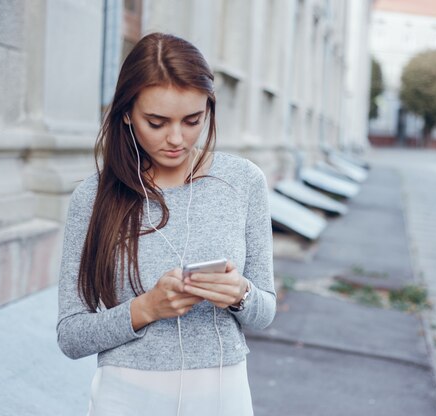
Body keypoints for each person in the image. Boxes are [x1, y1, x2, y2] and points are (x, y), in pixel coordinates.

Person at [56, 32, 276, 416]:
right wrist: (147, 308)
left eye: (193, 120)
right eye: (156, 122)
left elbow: (265, 312)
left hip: (222, 392)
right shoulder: (94, 197)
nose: (176, 139)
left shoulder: (243, 181)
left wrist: (240, 293)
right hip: (126, 396)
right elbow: (71, 336)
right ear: (126, 113)